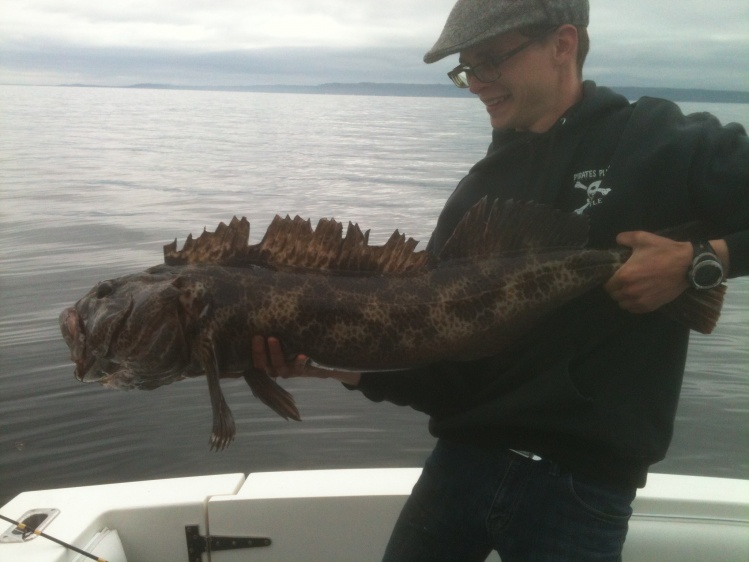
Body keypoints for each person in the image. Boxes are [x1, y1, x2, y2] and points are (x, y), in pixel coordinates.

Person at [251, 0, 749, 560]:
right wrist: (328, 362)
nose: (476, 84)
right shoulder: (477, 194)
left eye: (491, 61)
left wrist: (704, 260)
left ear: (563, 44)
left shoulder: (664, 141)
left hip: (583, 488)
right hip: (461, 464)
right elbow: (444, 367)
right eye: (467, 69)